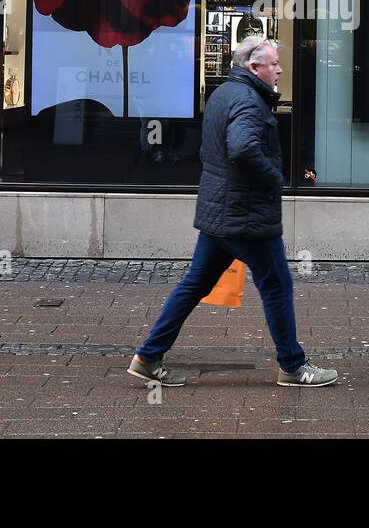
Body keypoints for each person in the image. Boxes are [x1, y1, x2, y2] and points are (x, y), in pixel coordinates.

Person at [128, 35, 339, 387]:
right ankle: (293, 366)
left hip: (219, 211)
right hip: (245, 215)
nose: (280, 69)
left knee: (195, 284)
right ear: (254, 67)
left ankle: (148, 357)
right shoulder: (248, 101)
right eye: (273, 63)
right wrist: (273, 178)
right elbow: (242, 148)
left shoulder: (225, 93)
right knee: (276, 285)